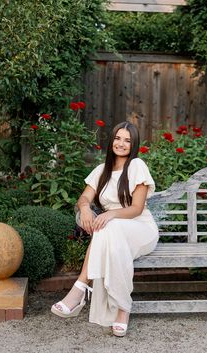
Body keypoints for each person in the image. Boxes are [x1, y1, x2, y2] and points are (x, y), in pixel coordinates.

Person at [51, 121, 159, 337]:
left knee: (108, 226)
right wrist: (85, 208)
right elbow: (84, 197)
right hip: (111, 230)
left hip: (140, 229)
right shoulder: (102, 171)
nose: (121, 143)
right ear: (111, 141)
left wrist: (109, 214)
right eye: (118, 138)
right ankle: (121, 308)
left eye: (127, 140)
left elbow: (137, 209)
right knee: (108, 229)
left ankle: (80, 289)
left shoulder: (137, 165)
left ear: (133, 144)